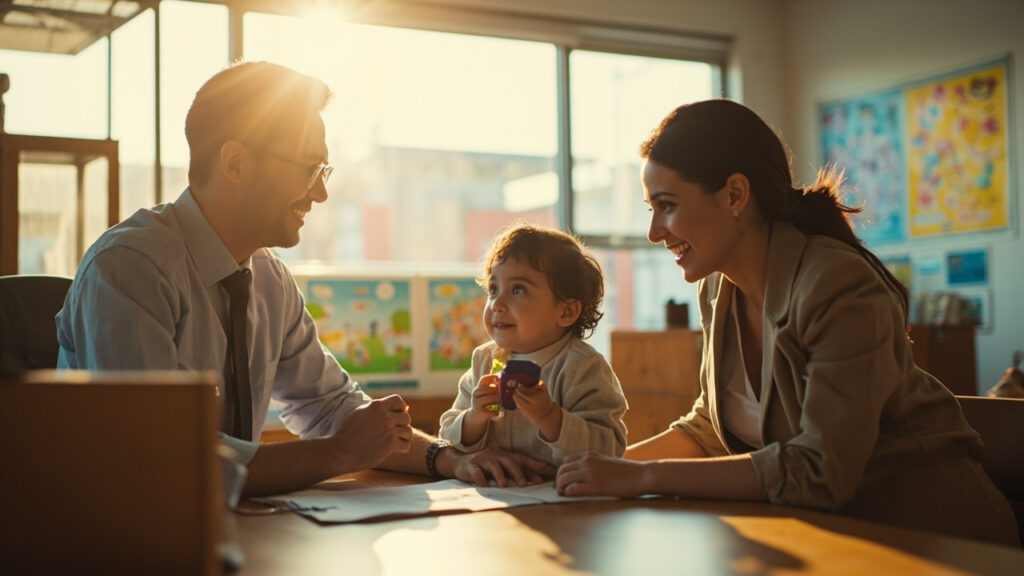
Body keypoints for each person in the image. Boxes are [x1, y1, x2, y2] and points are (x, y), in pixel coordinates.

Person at [55, 61, 550, 497]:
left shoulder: (268, 278)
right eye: (309, 167)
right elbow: (162, 458)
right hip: (115, 536)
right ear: (236, 163)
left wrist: (450, 460)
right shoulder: (130, 268)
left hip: (223, 528)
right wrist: (336, 455)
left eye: (324, 169)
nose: (320, 194)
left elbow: (333, 407)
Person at [554, 99, 1020, 547]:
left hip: (940, 541)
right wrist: (586, 469)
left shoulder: (837, 284)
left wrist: (642, 477)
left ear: (735, 194)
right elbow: (708, 428)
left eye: (668, 205)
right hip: (833, 538)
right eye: (650, 209)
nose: (655, 231)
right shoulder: (717, 286)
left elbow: (819, 469)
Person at [439, 223, 627, 467]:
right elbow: (446, 438)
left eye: (518, 289)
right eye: (493, 288)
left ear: (566, 311)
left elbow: (610, 449)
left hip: (566, 499)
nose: (497, 303)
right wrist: (474, 418)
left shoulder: (582, 368)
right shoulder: (484, 361)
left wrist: (551, 418)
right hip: (495, 497)